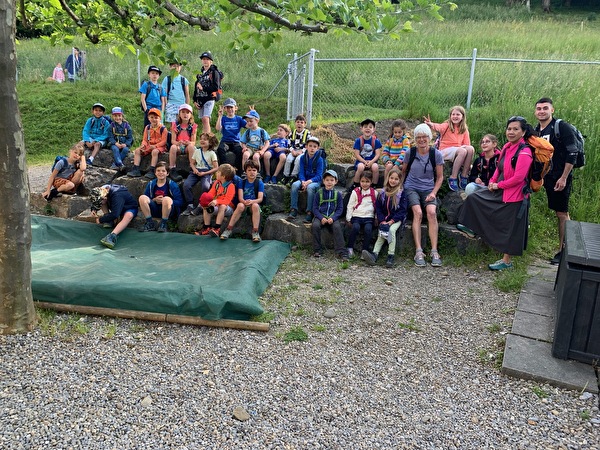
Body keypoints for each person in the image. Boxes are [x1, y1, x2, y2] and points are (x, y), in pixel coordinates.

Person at [458, 116, 534, 271]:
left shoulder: (525, 151)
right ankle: (474, 228)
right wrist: (492, 183)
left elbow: (519, 178)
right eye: (509, 129)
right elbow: (499, 168)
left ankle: (506, 261)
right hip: (500, 189)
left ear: (523, 132)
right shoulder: (507, 147)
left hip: (515, 195)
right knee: (474, 198)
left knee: (511, 228)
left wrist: (499, 185)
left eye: (515, 129)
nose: (511, 132)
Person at [534, 97, 579, 265]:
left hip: (560, 176)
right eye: (539, 108)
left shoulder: (562, 127)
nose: (541, 111)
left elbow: (572, 153)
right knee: (557, 212)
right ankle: (563, 249)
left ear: (552, 110)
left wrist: (564, 177)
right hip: (545, 177)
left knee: (562, 213)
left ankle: (564, 251)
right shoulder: (537, 130)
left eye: (545, 108)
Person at [402, 123, 444, 268]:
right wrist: (400, 188)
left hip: (428, 189)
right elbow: (403, 171)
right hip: (411, 187)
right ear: (415, 139)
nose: (421, 140)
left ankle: (434, 250)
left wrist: (433, 193)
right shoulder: (410, 153)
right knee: (418, 212)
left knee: (431, 212)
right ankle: (418, 251)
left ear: (429, 138)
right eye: (418, 137)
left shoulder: (436, 154)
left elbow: (440, 177)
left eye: (424, 137)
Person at [362, 167, 408, 268]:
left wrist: (391, 221)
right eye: (391, 178)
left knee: (391, 231)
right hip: (385, 219)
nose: (393, 181)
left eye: (396, 179)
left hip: (396, 219)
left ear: (400, 180)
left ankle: (390, 256)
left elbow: (402, 211)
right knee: (381, 233)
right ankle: (374, 254)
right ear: (388, 178)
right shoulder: (382, 193)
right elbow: (378, 208)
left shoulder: (401, 194)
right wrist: (382, 220)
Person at [423, 105, 475, 191]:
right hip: (445, 151)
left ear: (462, 117)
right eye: (453, 114)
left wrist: (468, 163)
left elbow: (467, 144)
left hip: (457, 151)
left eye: (458, 114)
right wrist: (431, 124)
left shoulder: (464, 129)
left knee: (471, 149)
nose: (455, 116)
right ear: (450, 116)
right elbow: (438, 127)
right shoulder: (446, 126)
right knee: (462, 151)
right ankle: (453, 177)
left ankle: (464, 175)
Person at [221, 160, 264, 242]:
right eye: (249, 170)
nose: (252, 172)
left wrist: (252, 201)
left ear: (257, 172)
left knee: (255, 205)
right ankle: (228, 229)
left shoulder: (259, 183)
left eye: (254, 170)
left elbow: (260, 199)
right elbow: (240, 197)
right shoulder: (242, 182)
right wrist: (244, 202)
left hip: (253, 204)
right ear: (245, 172)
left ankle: (255, 231)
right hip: (243, 204)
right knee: (240, 205)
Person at [311, 169, 348, 261]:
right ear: (323, 181)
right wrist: (321, 217)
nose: (329, 182)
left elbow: (340, 209)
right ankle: (317, 250)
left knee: (337, 227)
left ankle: (342, 252)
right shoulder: (318, 193)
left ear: (336, 181)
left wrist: (334, 217)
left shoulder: (338, 194)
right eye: (327, 180)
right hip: (320, 216)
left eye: (332, 180)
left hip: (332, 216)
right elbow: (315, 208)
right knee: (315, 226)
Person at [138, 162, 184, 233]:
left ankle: (163, 223)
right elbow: (146, 198)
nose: (160, 173)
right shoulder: (151, 184)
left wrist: (167, 200)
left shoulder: (172, 185)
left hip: (168, 211)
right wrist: (154, 199)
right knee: (142, 197)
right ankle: (150, 223)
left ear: (167, 173)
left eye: (163, 171)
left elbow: (180, 202)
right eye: (158, 171)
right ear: (155, 173)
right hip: (154, 209)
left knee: (166, 199)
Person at [287, 136, 324, 223]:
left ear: (318, 148)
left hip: (314, 181)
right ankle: (293, 209)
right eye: (310, 146)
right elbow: (301, 172)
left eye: (315, 147)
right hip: (304, 180)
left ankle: (309, 212)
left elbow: (319, 175)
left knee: (310, 188)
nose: (312, 148)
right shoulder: (303, 158)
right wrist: (303, 181)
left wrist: (308, 182)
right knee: (295, 185)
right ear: (306, 147)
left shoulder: (320, 159)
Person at [181, 132, 219, 215]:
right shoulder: (197, 151)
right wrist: (194, 169)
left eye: (205, 139)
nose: (202, 141)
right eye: (201, 139)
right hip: (196, 171)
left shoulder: (212, 153)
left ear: (210, 142)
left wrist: (205, 174)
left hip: (206, 172)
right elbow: (192, 163)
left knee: (206, 186)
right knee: (186, 185)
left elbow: (216, 168)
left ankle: (200, 205)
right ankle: (190, 204)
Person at [90, 185, 139, 249]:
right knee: (102, 202)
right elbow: (97, 198)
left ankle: (112, 235)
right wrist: (94, 209)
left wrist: (101, 219)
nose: (100, 204)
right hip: (116, 205)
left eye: (99, 202)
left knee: (128, 216)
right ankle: (108, 219)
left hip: (128, 208)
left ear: (105, 197)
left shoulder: (117, 195)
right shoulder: (104, 189)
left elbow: (115, 214)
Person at [195, 164, 237, 237]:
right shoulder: (216, 183)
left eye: (218, 172)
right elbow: (211, 193)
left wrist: (217, 201)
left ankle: (217, 228)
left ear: (223, 176)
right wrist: (206, 199)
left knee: (223, 206)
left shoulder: (231, 186)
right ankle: (206, 228)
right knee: (206, 205)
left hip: (228, 208)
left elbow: (227, 201)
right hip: (216, 205)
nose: (216, 173)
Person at [127, 108, 168, 179]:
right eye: (152, 117)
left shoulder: (163, 129)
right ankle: (136, 169)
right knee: (137, 150)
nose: (154, 119)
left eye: (156, 118)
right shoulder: (148, 128)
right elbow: (145, 139)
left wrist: (155, 146)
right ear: (148, 118)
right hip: (149, 145)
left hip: (160, 146)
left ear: (160, 118)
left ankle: (152, 170)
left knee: (155, 152)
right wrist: (143, 145)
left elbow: (164, 141)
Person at [345, 171, 377, 258]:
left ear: (371, 182)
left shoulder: (374, 193)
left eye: (367, 182)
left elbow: (377, 206)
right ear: (359, 181)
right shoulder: (355, 192)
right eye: (362, 181)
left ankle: (365, 251)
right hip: (357, 216)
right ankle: (350, 248)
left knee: (368, 229)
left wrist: (376, 218)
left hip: (369, 217)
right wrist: (348, 218)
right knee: (355, 227)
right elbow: (350, 206)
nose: (365, 184)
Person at [193, 51, 222, 133]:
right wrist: (195, 100)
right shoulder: (200, 74)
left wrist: (203, 88)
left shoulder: (214, 72)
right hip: (201, 99)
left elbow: (216, 87)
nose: (205, 61)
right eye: (203, 59)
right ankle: (205, 138)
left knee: (206, 118)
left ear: (211, 61)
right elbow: (196, 87)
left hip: (210, 98)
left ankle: (208, 139)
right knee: (203, 120)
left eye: (207, 59)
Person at [168, 103, 198, 182]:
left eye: (187, 112)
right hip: (179, 145)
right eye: (183, 112)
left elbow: (193, 142)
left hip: (187, 146)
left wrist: (189, 143)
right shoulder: (175, 125)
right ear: (179, 114)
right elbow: (173, 141)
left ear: (191, 114)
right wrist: (178, 143)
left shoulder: (193, 126)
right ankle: (172, 169)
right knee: (173, 147)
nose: (185, 114)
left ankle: (192, 168)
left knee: (192, 147)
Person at [215, 98, 246, 174]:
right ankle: (225, 166)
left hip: (236, 141)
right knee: (220, 149)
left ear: (235, 108)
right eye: (227, 107)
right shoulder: (223, 118)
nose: (230, 109)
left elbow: (248, 125)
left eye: (231, 107)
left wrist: (252, 114)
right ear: (225, 109)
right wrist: (220, 116)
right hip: (225, 141)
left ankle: (236, 168)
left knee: (239, 151)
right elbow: (218, 128)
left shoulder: (239, 118)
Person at [351, 118, 382, 188]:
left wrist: (371, 162)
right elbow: (357, 154)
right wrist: (364, 161)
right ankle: (355, 184)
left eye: (370, 127)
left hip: (372, 161)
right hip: (361, 161)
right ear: (361, 129)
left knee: (375, 167)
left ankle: (374, 185)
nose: (367, 129)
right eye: (365, 127)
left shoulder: (376, 141)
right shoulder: (358, 140)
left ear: (374, 129)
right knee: (360, 167)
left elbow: (377, 154)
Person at [282, 114, 311, 186]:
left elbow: (308, 145)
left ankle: (293, 177)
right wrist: (292, 151)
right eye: (298, 122)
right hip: (294, 150)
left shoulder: (307, 133)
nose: (299, 124)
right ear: (295, 123)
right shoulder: (292, 133)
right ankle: (285, 176)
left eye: (302, 122)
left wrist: (302, 151)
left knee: (298, 160)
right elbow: (289, 144)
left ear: (305, 124)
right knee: (288, 159)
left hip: (302, 151)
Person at [162, 59, 191, 124]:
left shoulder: (183, 79)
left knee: (181, 124)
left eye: (178, 66)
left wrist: (187, 106)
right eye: (174, 66)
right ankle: (173, 134)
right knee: (173, 125)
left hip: (182, 105)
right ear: (170, 67)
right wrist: (166, 104)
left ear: (180, 68)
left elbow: (187, 94)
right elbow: (164, 94)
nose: (176, 68)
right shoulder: (167, 79)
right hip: (171, 104)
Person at [108, 107, 133, 171]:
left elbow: (130, 138)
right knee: (115, 149)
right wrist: (115, 143)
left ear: (122, 116)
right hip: (115, 143)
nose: (117, 118)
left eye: (119, 116)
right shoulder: (112, 126)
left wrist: (126, 144)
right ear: (112, 116)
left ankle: (115, 164)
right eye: (115, 116)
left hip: (124, 143)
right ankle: (120, 164)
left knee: (125, 150)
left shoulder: (127, 126)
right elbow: (110, 137)